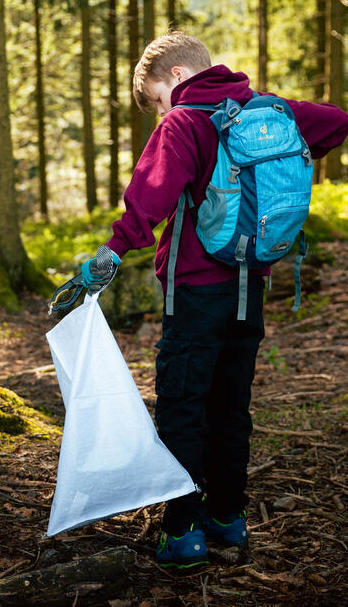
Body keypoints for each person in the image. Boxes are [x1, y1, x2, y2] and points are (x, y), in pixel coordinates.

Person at [81, 31, 348, 569]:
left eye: (157, 98)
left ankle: (182, 533)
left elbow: (149, 198)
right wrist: (291, 151)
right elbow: (338, 121)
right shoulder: (265, 110)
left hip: (195, 290)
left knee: (183, 405)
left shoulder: (183, 122)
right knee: (231, 406)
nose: (160, 111)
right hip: (251, 286)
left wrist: (111, 251)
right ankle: (229, 518)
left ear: (176, 77)